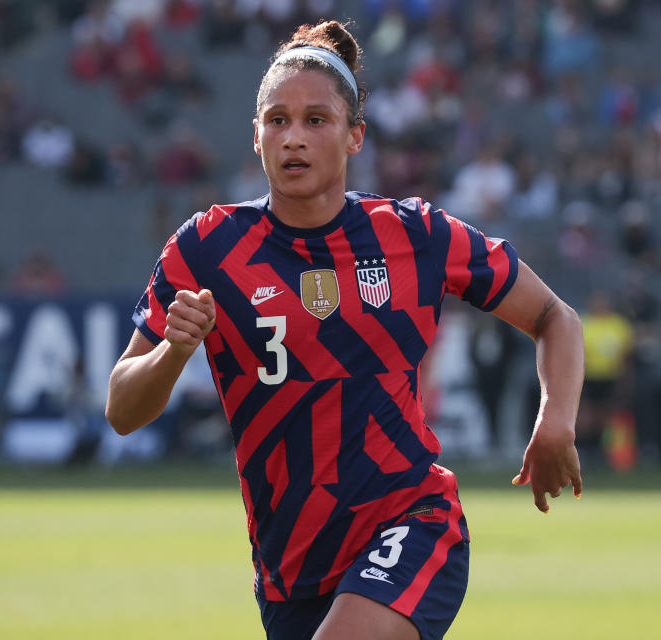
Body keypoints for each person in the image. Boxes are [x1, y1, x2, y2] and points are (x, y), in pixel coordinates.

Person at [106, 21, 584, 640]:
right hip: (290, 570)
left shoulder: (415, 234)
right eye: (276, 121)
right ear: (255, 137)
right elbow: (121, 409)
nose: (293, 138)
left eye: (316, 120)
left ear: (355, 135)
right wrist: (175, 350)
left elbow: (555, 317)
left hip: (412, 520)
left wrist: (556, 419)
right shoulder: (205, 247)